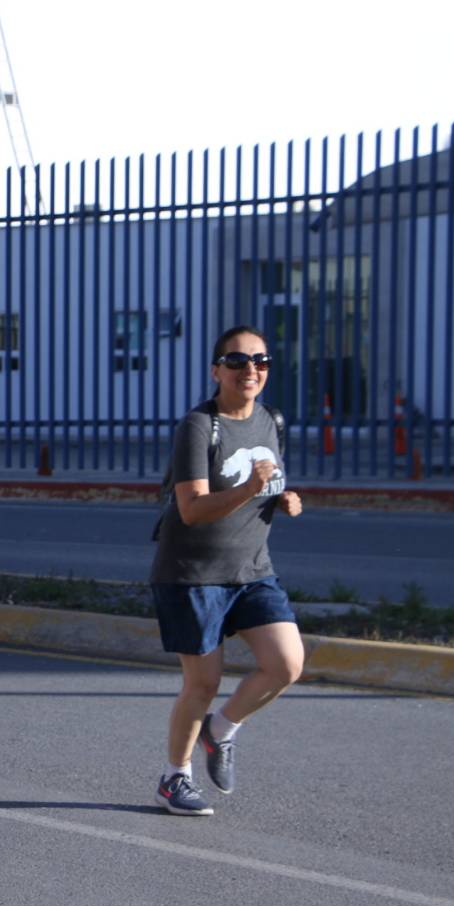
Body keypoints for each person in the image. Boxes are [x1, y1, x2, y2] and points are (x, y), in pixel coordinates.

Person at [149, 326, 304, 815]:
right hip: (193, 572)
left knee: (286, 664)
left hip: (253, 569)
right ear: (217, 370)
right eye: (237, 362)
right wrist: (249, 490)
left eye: (261, 361)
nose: (250, 370)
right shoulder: (199, 426)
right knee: (203, 683)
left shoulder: (271, 420)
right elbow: (192, 508)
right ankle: (175, 778)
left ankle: (221, 730)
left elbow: (266, 483)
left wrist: (282, 499)